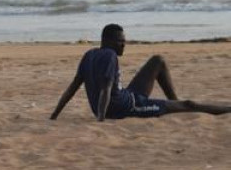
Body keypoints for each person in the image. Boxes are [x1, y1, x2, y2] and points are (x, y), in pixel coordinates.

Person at [50, 23, 231, 121]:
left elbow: (72, 88)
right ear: (108, 41)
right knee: (190, 104)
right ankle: (184, 108)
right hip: (126, 108)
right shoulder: (110, 55)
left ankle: (175, 105)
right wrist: (101, 120)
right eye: (120, 41)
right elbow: (105, 89)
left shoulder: (89, 55)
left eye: (124, 41)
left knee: (158, 61)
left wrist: (54, 115)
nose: (124, 45)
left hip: (126, 96)